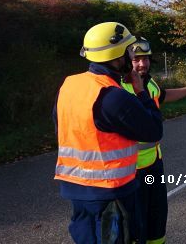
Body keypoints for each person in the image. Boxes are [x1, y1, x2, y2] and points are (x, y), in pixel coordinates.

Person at [53, 22, 163, 244]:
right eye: (129, 51)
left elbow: (59, 124)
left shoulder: (69, 85)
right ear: (118, 55)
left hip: (77, 188)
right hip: (110, 191)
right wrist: (141, 91)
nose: (132, 56)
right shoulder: (112, 96)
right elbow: (153, 130)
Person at [120, 39, 186, 244]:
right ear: (127, 61)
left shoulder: (149, 84)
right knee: (135, 221)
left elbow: (163, 95)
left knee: (157, 214)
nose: (142, 64)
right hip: (130, 169)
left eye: (146, 59)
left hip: (153, 164)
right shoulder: (120, 88)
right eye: (136, 60)